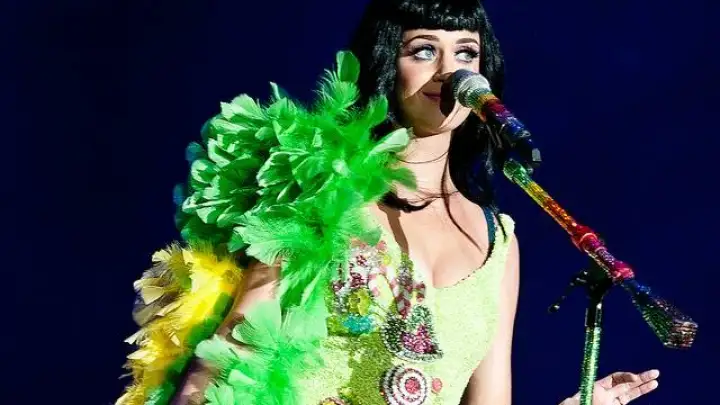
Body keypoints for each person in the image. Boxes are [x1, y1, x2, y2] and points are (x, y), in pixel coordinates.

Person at [114, 1, 661, 404]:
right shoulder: (324, 195)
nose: (450, 71)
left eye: (466, 53)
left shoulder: (499, 242)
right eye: (424, 50)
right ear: (385, 63)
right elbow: (232, 355)